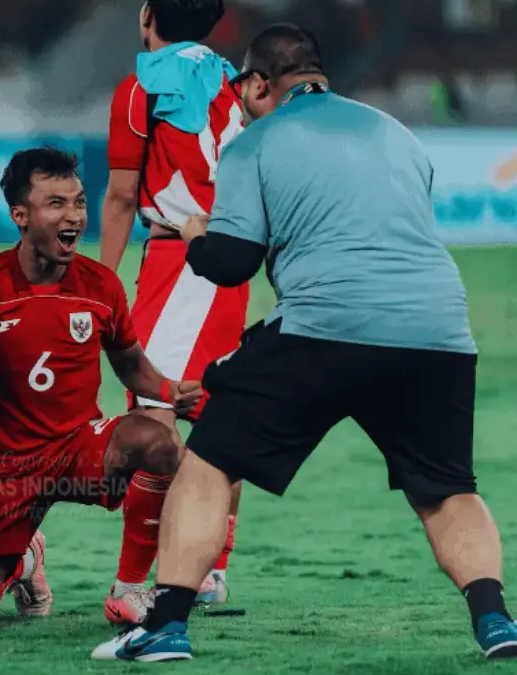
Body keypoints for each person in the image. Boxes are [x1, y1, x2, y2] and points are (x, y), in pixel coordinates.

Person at [93, 24, 517, 663]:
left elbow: (233, 262)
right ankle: (497, 622)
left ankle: (165, 625)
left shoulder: (254, 142)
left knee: (208, 464)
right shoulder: (396, 133)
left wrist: (197, 232)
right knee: (447, 489)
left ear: (261, 84)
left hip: (324, 324)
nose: (238, 102)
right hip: (437, 330)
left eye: (243, 90)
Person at [0, 148, 199, 627]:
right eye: (55, 203)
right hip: (7, 471)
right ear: (19, 215)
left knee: (157, 441)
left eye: (77, 202)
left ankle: (130, 588)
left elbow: (129, 361)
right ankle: (26, 558)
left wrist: (167, 390)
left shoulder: (100, 285)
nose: (73, 215)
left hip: (81, 451)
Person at [98, 0, 245, 624]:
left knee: (154, 420)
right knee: (221, 417)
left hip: (178, 262)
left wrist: (99, 284)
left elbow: (123, 195)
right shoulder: (239, 81)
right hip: (233, 263)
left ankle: (131, 586)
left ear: (146, 15)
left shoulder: (140, 87)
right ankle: (211, 569)